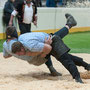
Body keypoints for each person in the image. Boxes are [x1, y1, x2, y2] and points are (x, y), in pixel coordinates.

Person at [11, 14, 90, 83]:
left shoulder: (31, 45)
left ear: (21, 49)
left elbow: (48, 48)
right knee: (69, 57)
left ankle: (77, 79)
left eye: (19, 54)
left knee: (66, 60)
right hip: (48, 39)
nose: (20, 55)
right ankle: (87, 66)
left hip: (53, 41)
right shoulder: (21, 38)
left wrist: (42, 53)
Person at [3, 13, 75, 76]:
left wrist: (14, 53)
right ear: (15, 35)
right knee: (51, 40)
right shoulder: (19, 41)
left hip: (32, 60)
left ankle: (68, 25)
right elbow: (42, 49)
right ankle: (69, 25)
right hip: (37, 58)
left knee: (43, 43)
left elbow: (5, 56)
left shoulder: (5, 45)